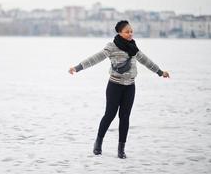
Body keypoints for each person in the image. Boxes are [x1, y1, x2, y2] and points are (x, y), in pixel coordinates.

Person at [68, 20, 170, 159]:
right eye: (127, 31)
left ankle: (121, 149)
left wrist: (160, 72)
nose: (130, 34)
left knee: (125, 117)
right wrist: (77, 68)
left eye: (131, 31)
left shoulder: (133, 48)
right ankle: (98, 143)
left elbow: (146, 61)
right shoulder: (112, 47)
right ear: (119, 32)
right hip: (114, 86)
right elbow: (95, 58)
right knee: (110, 115)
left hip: (130, 87)